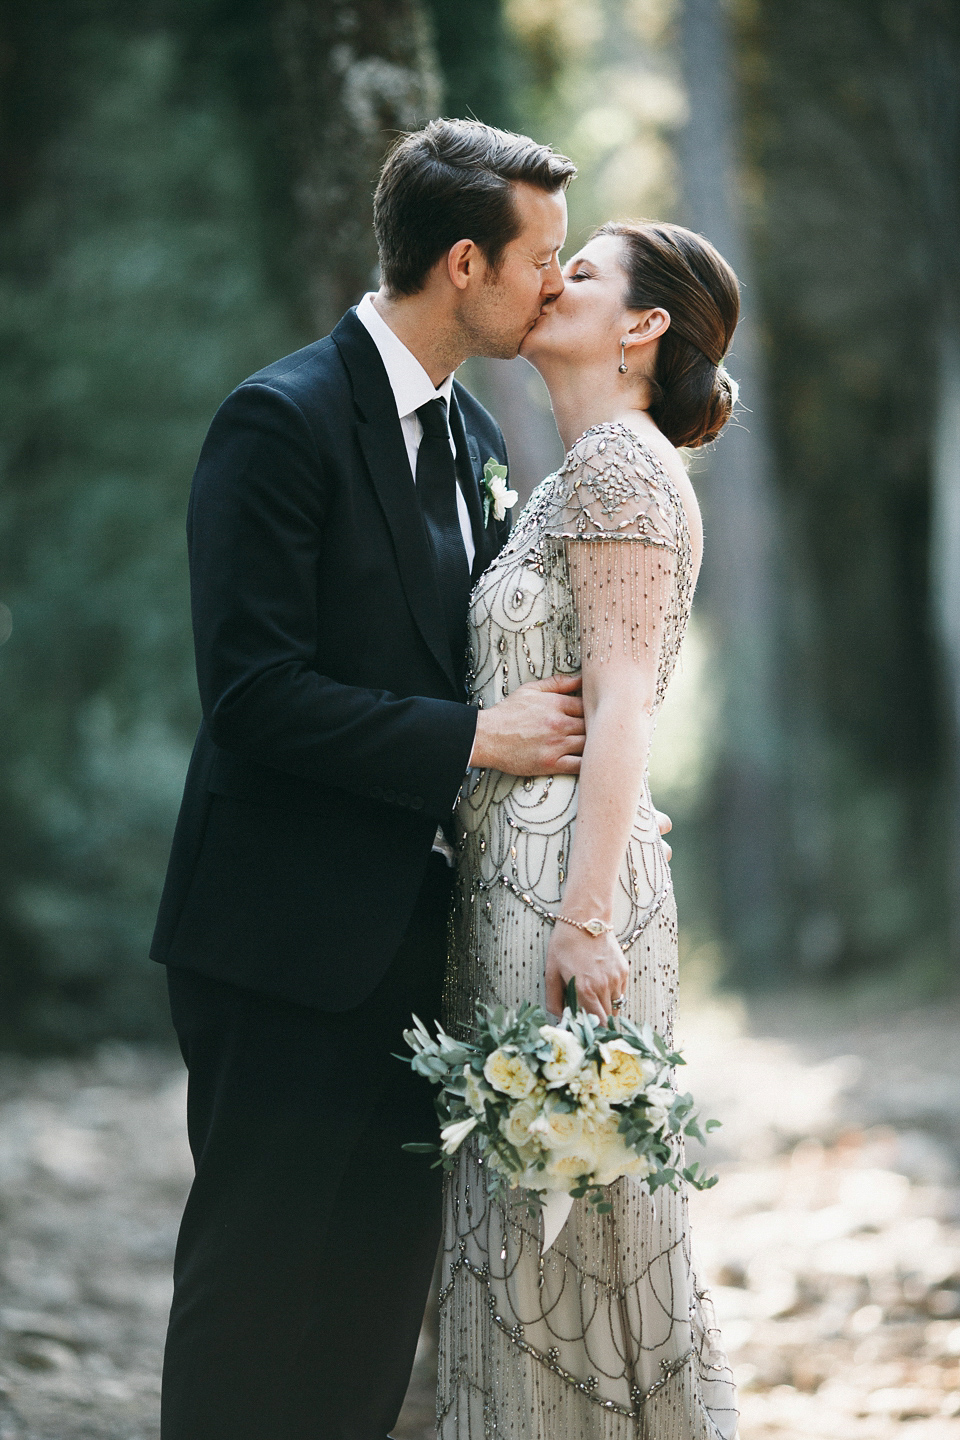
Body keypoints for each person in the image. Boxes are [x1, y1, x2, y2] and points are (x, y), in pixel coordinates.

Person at [149, 119, 592, 1440]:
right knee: (253, 1305)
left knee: (365, 1323)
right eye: (543, 260)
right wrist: (473, 741)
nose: (557, 286)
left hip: (417, 956)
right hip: (277, 944)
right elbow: (253, 693)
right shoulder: (276, 421)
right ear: (465, 263)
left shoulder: (464, 431)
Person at [440, 221, 742, 1437]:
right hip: (519, 877)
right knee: (533, 1240)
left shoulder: (620, 463)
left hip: (563, 894)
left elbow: (623, 702)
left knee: (572, 1246)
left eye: (586, 269)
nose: (553, 279)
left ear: (643, 327)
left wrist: (585, 916)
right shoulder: (579, 467)